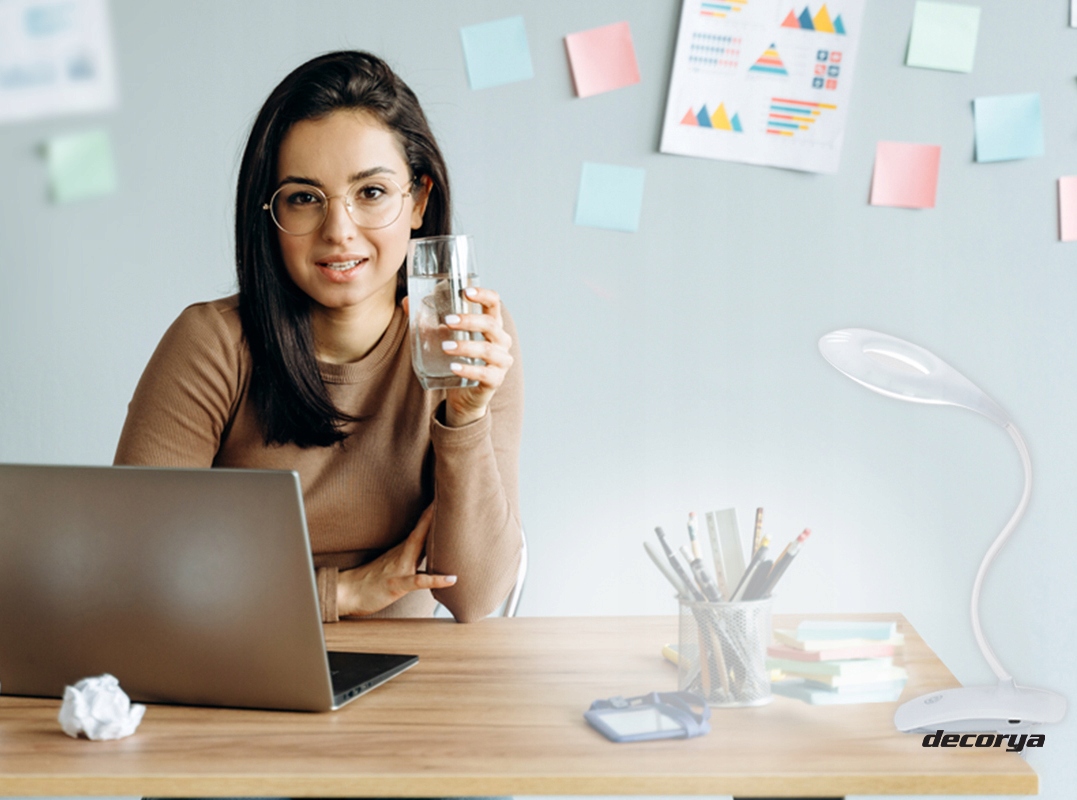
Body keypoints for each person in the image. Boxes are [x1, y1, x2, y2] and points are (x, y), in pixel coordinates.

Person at [114, 51, 524, 624]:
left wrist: (466, 418)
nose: (338, 231)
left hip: (408, 679)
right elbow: (133, 571)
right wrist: (344, 592)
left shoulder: (470, 343)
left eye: (372, 192)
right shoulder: (211, 343)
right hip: (236, 664)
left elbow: (474, 598)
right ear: (270, 213)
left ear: (419, 200)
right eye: (304, 197)